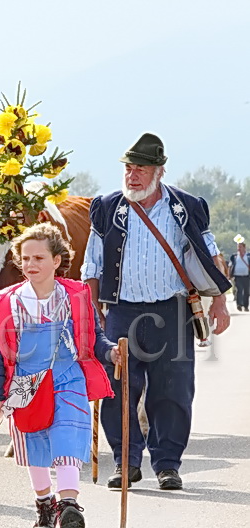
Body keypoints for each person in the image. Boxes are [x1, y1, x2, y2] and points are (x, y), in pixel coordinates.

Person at [82, 133, 231, 491]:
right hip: (122, 312)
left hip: (172, 312)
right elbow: (92, 266)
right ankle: (126, 462)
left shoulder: (187, 206)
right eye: (129, 168)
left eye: (141, 169)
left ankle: (167, 463)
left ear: (159, 171)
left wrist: (221, 301)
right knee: (117, 388)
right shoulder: (107, 207)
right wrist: (93, 313)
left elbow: (209, 257)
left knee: (173, 390)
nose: (132, 176)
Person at [0, 223, 119, 528]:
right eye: (25, 258)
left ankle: (69, 504)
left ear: (57, 260)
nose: (31, 264)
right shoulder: (7, 302)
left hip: (67, 377)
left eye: (39, 257)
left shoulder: (76, 295)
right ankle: (44, 505)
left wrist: (111, 352)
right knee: (36, 447)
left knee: (68, 439)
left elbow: (93, 337)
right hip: (25, 382)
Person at [227, 239, 249, 312]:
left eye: (240, 247)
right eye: (238, 247)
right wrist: (229, 274)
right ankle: (239, 305)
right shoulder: (234, 256)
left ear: (244, 248)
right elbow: (230, 266)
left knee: (246, 291)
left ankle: (246, 306)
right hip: (237, 276)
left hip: (247, 276)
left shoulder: (248, 256)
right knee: (239, 290)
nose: (239, 248)